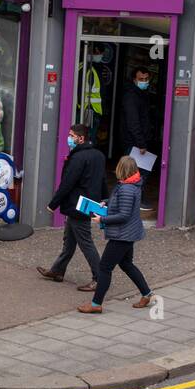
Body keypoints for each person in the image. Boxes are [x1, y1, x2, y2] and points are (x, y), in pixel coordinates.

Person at [78, 156, 154, 314]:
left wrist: (102, 219)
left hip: (122, 235)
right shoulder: (132, 185)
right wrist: (106, 201)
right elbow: (123, 204)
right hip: (128, 233)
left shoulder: (126, 188)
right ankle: (147, 294)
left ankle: (96, 304)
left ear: (121, 169)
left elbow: (124, 215)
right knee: (126, 264)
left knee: (104, 267)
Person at [38, 123, 105, 291]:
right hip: (88, 204)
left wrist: (53, 204)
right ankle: (57, 271)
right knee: (69, 241)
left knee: (86, 243)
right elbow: (102, 180)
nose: (69, 139)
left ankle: (99, 278)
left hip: (77, 205)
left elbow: (67, 183)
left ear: (80, 139)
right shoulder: (99, 155)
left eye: (71, 135)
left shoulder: (77, 158)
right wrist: (105, 199)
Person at [118, 66, 158, 212]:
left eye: (147, 79)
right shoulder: (131, 96)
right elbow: (133, 122)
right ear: (134, 80)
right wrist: (141, 143)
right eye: (141, 79)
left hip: (139, 141)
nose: (145, 82)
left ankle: (134, 200)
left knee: (139, 172)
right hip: (134, 142)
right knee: (137, 174)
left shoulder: (142, 94)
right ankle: (135, 201)